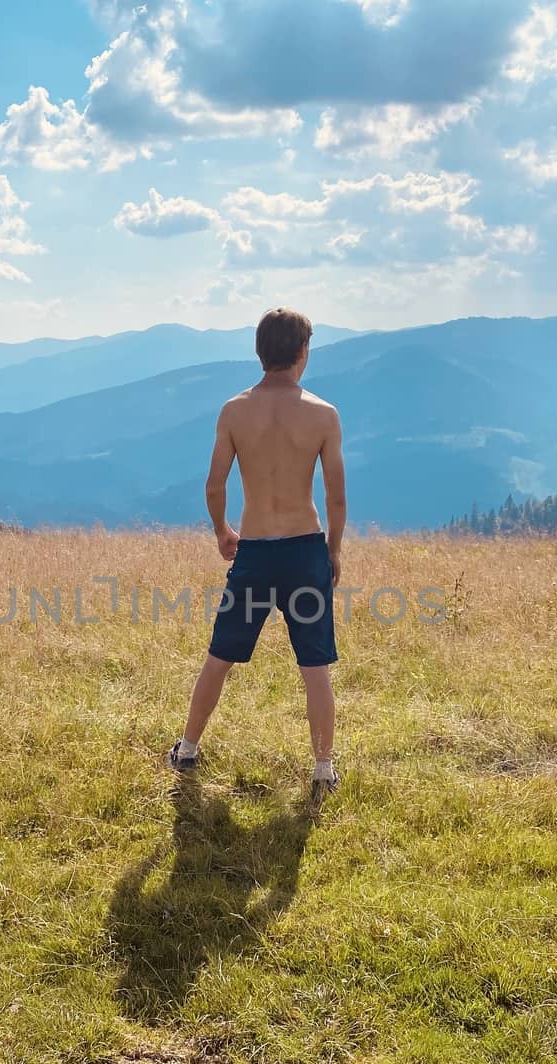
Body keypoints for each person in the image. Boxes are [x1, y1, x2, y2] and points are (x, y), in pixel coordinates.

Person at [168, 307, 346, 799]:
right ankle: (323, 769)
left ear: (259, 352)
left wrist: (224, 531)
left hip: (255, 552)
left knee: (219, 657)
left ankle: (186, 748)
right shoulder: (323, 415)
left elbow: (213, 485)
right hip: (305, 549)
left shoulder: (233, 411)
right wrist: (333, 551)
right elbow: (335, 497)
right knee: (315, 668)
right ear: (302, 352)